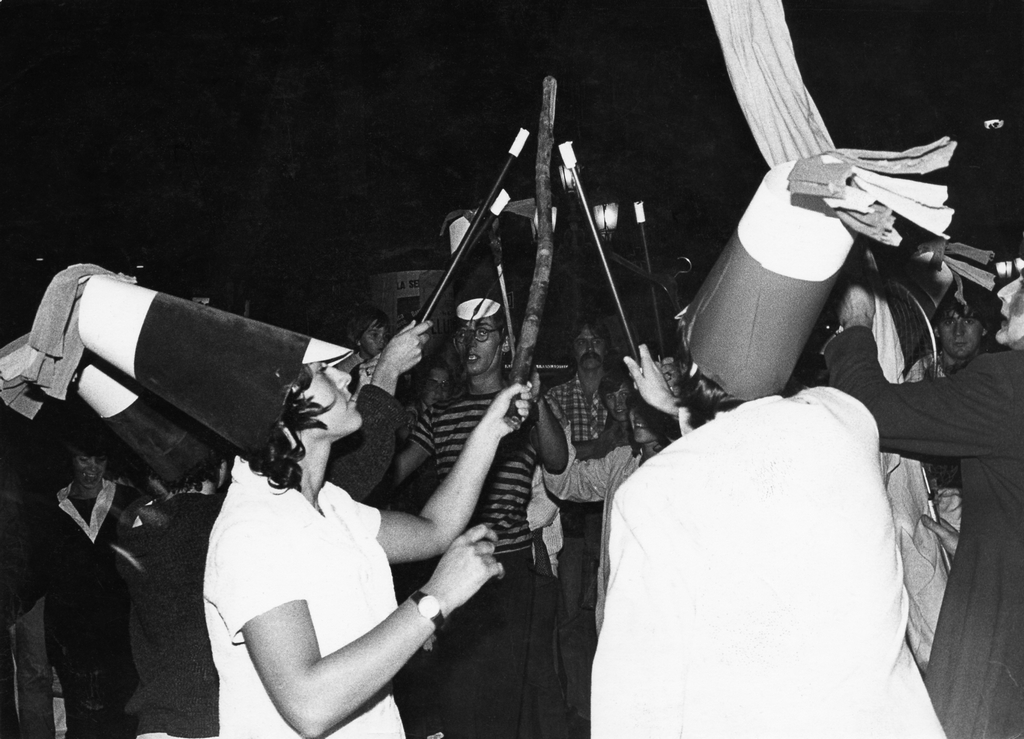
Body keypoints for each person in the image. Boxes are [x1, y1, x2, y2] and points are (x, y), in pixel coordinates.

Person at [204, 353, 533, 738]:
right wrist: (436, 598)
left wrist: (490, 429)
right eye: (322, 372)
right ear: (281, 406)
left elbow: (435, 529)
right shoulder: (251, 529)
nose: (346, 378)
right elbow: (309, 705)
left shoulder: (329, 503)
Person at [826, 277, 1024, 739]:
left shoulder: (1007, 382)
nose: (1003, 293)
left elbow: (868, 408)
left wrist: (856, 323)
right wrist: (984, 541)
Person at [393, 297, 568, 739]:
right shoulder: (441, 412)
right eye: (464, 334)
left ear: (505, 343)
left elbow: (558, 461)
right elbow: (394, 471)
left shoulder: (519, 408)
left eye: (484, 332)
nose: (471, 342)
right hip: (453, 565)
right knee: (456, 691)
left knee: (505, 697)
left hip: (509, 569)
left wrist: (538, 403)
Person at [543, 314, 623, 724]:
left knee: (616, 611)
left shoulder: (623, 391)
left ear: (607, 347)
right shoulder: (555, 397)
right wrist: (606, 440)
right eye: (581, 340)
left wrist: (587, 447)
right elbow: (560, 459)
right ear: (572, 350)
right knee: (571, 615)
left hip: (615, 519)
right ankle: (580, 706)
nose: (589, 347)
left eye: (596, 340)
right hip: (572, 518)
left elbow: (620, 446)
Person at [117, 450, 230, 739]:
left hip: (156, 719)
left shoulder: (138, 520)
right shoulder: (221, 516)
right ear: (221, 467)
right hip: (212, 719)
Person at [45, 434, 139, 739]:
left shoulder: (129, 500)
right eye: (84, 459)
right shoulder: (52, 505)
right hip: (73, 631)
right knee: (82, 715)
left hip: (121, 627)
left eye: (100, 460)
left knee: (123, 712)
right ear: (71, 460)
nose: (92, 468)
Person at [342, 304, 391, 389]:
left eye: (385, 335)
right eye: (374, 335)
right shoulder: (346, 369)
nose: (382, 340)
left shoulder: (387, 361)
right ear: (358, 339)